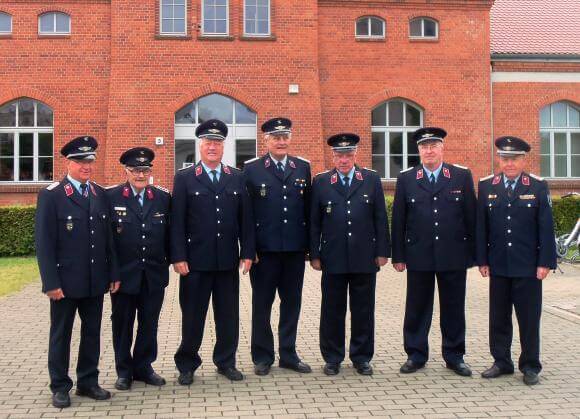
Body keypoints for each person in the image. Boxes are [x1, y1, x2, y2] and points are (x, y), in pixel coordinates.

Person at [35, 136, 119, 408]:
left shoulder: (98, 193)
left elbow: (108, 240)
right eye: (80, 161)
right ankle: (60, 385)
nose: (86, 166)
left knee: (92, 333)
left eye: (90, 161)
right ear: (68, 162)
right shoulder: (52, 195)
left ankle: (88, 381)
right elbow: (44, 244)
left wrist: (113, 273)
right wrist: (50, 282)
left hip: (95, 279)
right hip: (65, 282)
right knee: (61, 334)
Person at [171, 119, 255, 384]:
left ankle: (226, 361)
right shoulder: (184, 178)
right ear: (200, 145)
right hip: (195, 263)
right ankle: (187, 364)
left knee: (228, 316)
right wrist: (178, 256)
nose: (212, 147)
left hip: (227, 261)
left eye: (217, 143)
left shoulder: (236, 177)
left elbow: (246, 219)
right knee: (193, 316)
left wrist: (248, 252)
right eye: (208, 142)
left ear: (223, 146)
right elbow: (177, 222)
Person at [391, 127, 476, 377]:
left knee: (453, 308)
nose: (428, 150)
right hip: (419, 254)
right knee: (417, 308)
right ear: (418, 150)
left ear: (442, 148)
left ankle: (455, 356)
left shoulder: (460, 175)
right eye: (424, 146)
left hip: (453, 254)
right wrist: (399, 256)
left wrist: (475, 256)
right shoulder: (407, 178)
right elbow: (399, 220)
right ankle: (415, 355)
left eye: (433, 146)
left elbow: (471, 217)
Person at [476, 136, 557, 386]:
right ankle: (501, 361)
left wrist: (545, 262)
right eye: (505, 158)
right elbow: (482, 228)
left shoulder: (537, 186)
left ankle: (530, 365)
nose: (509, 163)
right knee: (498, 317)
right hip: (499, 264)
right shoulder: (488, 186)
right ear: (499, 159)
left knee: (529, 318)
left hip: (528, 266)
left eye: (514, 159)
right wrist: (482, 259)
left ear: (523, 160)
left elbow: (545, 228)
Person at [310, 133, 390, 376]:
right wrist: (314, 254)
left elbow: (379, 219)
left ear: (356, 155)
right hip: (332, 258)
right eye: (338, 155)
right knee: (332, 310)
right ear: (332, 156)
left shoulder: (370, 179)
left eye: (347, 155)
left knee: (363, 310)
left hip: (364, 257)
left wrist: (383, 252)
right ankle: (332, 357)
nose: (343, 159)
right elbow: (315, 222)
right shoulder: (322, 182)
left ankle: (361, 357)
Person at [243, 117, 312, 376]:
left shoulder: (302, 167)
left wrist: (310, 249)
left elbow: (309, 211)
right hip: (264, 252)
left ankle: (288, 353)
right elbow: (246, 215)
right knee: (262, 304)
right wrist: (249, 250)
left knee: (291, 303)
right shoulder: (251, 169)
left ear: (290, 139)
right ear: (266, 140)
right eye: (276, 137)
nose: (281, 141)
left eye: (285, 137)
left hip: (294, 250)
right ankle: (262, 356)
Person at [106, 147, 171, 390]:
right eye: (135, 170)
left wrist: (175, 261)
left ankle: (144, 367)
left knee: (149, 323)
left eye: (144, 170)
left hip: (153, 274)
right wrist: (112, 273)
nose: (140, 175)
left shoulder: (162, 198)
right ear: (126, 171)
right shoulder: (111, 197)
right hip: (123, 277)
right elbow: (107, 243)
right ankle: (124, 371)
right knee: (122, 324)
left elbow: (170, 236)